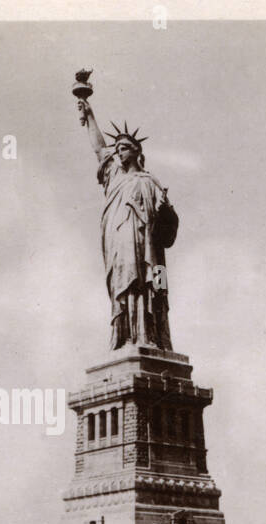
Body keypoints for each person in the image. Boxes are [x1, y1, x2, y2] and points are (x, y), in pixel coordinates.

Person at [77, 97, 178, 350]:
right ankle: (126, 337)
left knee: (153, 284)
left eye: (124, 147)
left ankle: (151, 336)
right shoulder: (113, 176)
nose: (119, 152)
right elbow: (99, 149)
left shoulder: (149, 181)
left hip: (148, 247)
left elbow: (170, 227)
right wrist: (89, 115)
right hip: (120, 241)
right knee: (124, 283)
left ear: (136, 151)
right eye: (118, 148)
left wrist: (164, 211)